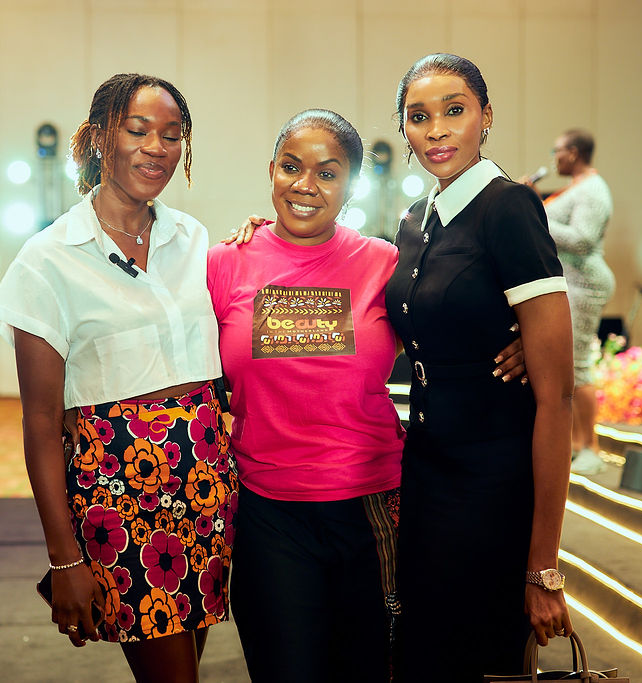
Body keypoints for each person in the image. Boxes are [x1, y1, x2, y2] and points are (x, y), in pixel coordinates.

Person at [211, 110, 526, 682]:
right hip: (268, 513)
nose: (306, 185)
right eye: (291, 167)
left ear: (351, 185)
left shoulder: (384, 263)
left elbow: (464, 308)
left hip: (371, 507)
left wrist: (525, 339)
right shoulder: (224, 264)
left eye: (328, 173)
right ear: (271, 171)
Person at [0, 73, 237, 683]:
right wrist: (64, 558)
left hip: (209, 486)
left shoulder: (192, 239)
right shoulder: (48, 259)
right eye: (138, 130)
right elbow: (41, 422)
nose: (157, 148)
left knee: (187, 663)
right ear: (100, 137)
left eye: (171, 135)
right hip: (123, 493)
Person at [386, 54, 574, 680]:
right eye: (419, 117)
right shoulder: (416, 221)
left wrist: (543, 567)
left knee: (482, 661)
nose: (436, 130)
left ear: (486, 117)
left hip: (494, 486)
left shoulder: (509, 207)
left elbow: (556, 398)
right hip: (425, 476)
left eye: (455, 110)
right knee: (421, 658)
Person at [525, 129, 615, 476]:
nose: (554, 158)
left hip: (586, 283)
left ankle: (592, 446)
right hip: (570, 283)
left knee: (578, 367)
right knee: (568, 366)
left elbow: (582, 240)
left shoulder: (593, 189)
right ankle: (576, 445)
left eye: (558, 150)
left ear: (574, 153)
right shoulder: (577, 186)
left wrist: (536, 215)